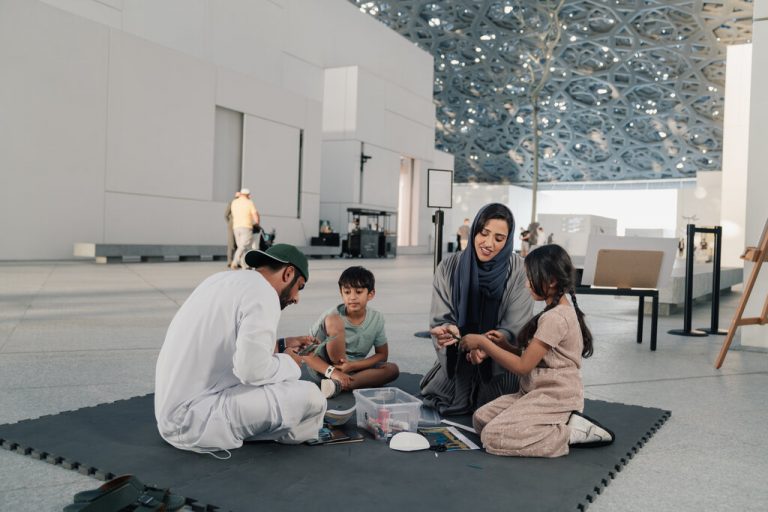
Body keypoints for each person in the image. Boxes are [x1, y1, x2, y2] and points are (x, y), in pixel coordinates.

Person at [154, 244, 326, 454]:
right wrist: (292, 362)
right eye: (299, 287)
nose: (296, 298)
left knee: (280, 379)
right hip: (194, 420)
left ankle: (278, 423)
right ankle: (289, 430)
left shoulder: (221, 279)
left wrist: (282, 345)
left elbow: (230, 346)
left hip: (171, 413)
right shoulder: (264, 293)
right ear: (288, 273)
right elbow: (251, 371)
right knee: (312, 397)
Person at [460, 244, 613, 457]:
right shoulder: (554, 312)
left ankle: (568, 433)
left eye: (531, 278)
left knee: (493, 436)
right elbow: (534, 358)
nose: (526, 283)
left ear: (551, 281)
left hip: (555, 398)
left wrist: (484, 344)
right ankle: (550, 425)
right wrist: (505, 346)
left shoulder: (556, 318)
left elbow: (523, 367)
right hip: (533, 392)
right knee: (481, 419)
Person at [420, 203, 534, 415]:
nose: (488, 244)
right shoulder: (448, 267)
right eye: (484, 233)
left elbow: (516, 326)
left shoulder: (520, 270)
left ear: (508, 240)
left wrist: (486, 346)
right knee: (445, 395)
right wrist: (448, 329)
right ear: (474, 231)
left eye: (499, 239)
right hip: (458, 360)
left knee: (499, 406)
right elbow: (441, 317)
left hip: (501, 364)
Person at [303, 266, 399, 398]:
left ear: (370, 294)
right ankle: (339, 380)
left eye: (358, 292)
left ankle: (339, 385)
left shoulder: (377, 318)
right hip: (325, 369)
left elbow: (382, 355)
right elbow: (305, 353)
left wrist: (353, 366)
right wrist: (333, 372)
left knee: (392, 369)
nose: (352, 297)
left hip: (354, 369)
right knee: (333, 320)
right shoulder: (331, 315)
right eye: (347, 292)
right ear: (341, 293)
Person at [230, 188, 259, 269]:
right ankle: (235, 262)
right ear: (247, 195)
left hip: (236, 227)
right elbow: (255, 214)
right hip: (246, 226)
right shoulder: (249, 202)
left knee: (241, 246)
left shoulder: (234, 202)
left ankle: (244, 265)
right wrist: (257, 223)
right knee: (243, 246)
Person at [224, 191, 240, 267]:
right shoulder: (232, 203)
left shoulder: (242, 204)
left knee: (238, 244)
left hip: (239, 225)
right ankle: (229, 261)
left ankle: (237, 262)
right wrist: (230, 222)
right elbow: (226, 215)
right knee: (231, 243)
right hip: (232, 225)